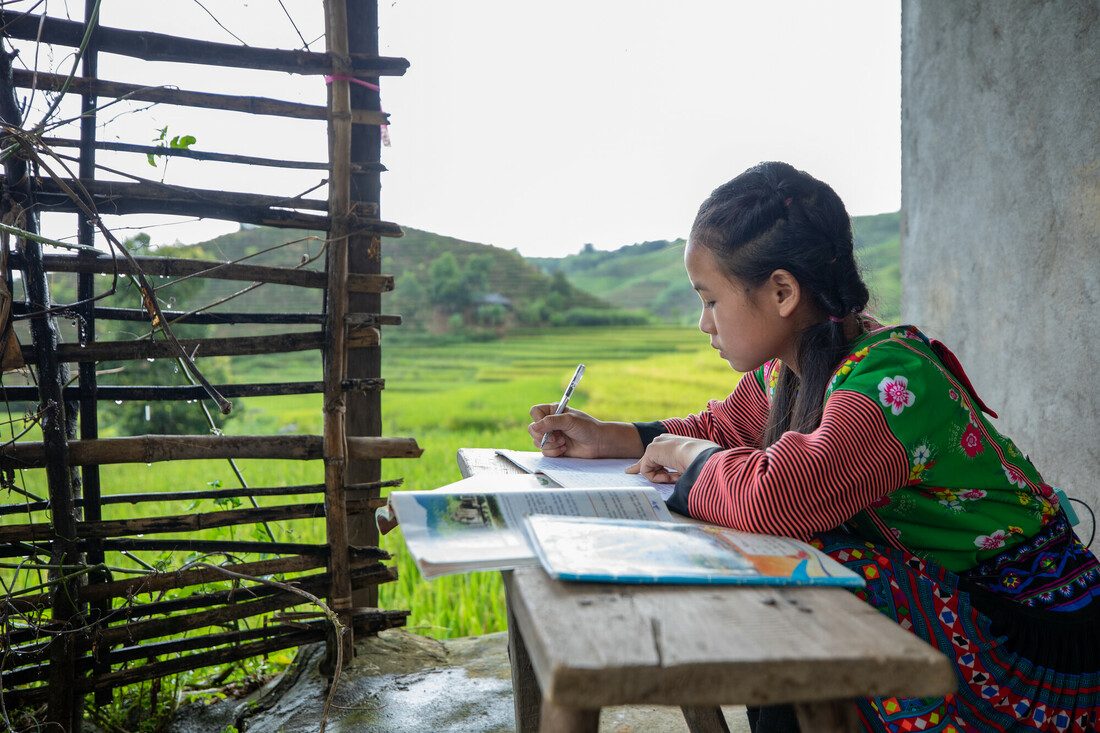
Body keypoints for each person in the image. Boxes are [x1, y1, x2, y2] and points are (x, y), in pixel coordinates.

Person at [527, 161, 1100, 733]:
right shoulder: (794, 370)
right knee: (785, 579)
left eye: (709, 300)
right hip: (961, 597)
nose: (704, 324)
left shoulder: (892, 383)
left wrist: (679, 453)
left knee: (797, 570)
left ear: (781, 291)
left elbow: (778, 496)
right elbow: (722, 429)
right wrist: (608, 437)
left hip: (1033, 634)